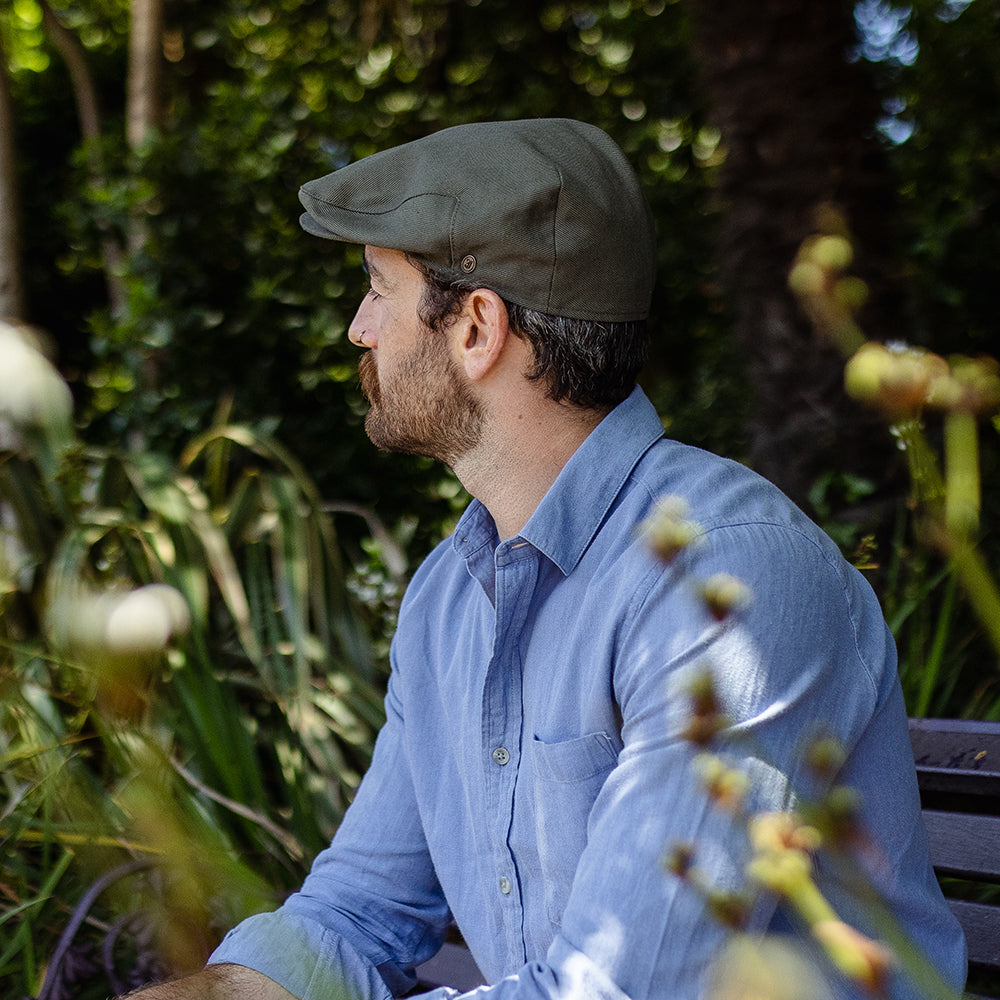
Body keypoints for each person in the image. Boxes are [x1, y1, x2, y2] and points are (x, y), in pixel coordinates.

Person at [125, 119, 966, 1000]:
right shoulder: (450, 597)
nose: (357, 329)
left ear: (478, 328)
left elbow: (621, 991)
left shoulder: (730, 580)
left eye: (378, 289)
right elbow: (354, 915)